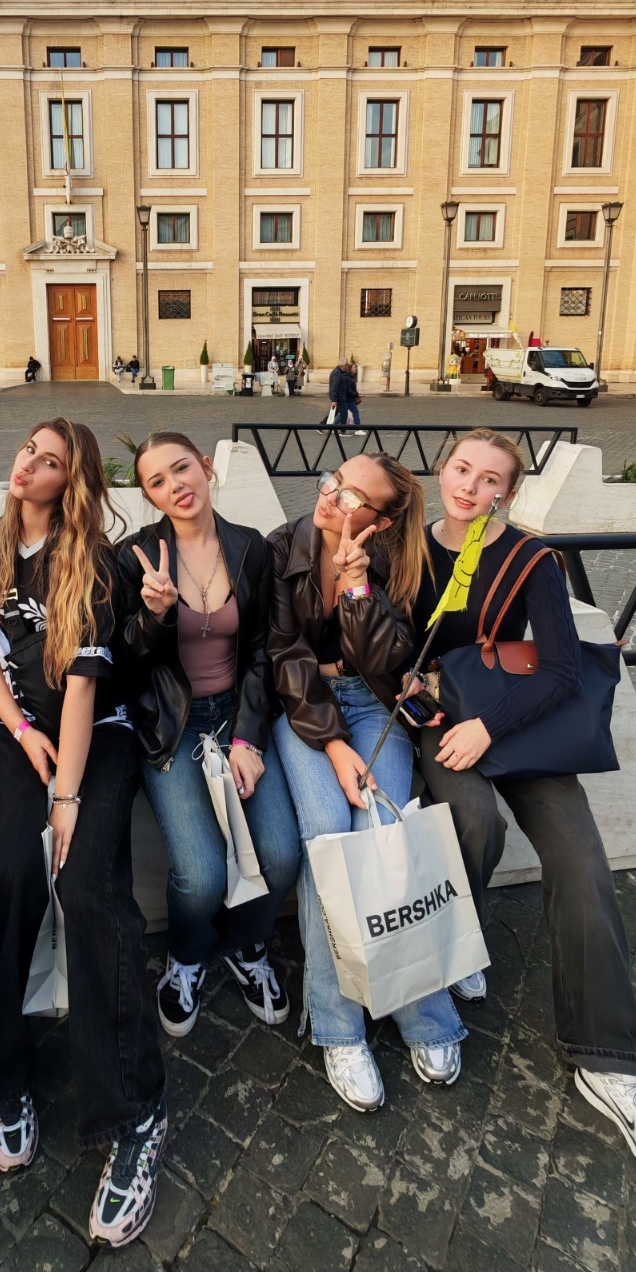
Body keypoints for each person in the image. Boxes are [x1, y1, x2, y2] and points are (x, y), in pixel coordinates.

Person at [411, 427, 636, 1199]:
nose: (471, 486)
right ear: (442, 469)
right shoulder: (405, 546)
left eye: (490, 478)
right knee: (476, 822)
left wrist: (489, 725)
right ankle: (456, 951)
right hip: (437, 724)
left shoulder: (530, 558)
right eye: (462, 468)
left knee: (580, 858)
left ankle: (613, 1065)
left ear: (507, 492)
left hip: (513, 720)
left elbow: (561, 670)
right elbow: (383, 644)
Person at [0, 419, 167, 1248]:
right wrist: (21, 734)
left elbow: (83, 690)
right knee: (9, 873)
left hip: (97, 734)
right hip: (12, 728)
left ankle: (133, 1113)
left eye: (50, 462)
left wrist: (70, 797)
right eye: (28, 452)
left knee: (86, 885)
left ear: (71, 480)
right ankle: (5, 1078)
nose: (29, 467)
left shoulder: (95, 563)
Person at [267, 454, 467, 1110]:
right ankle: (338, 1027)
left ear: (379, 521)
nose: (331, 497)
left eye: (352, 496)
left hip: (373, 704)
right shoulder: (281, 547)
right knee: (328, 835)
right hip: (303, 710)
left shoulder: (396, 563)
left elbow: (384, 659)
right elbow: (283, 655)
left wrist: (356, 587)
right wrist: (332, 745)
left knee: (382, 828)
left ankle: (421, 1010)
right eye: (332, 481)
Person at [116, 431, 301, 1038]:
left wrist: (248, 738)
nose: (176, 486)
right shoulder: (135, 558)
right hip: (170, 725)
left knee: (280, 855)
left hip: (238, 716)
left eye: (181, 468)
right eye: (158, 481)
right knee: (200, 874)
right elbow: (123, 662)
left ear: (205, 468)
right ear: (149, 495)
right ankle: (187, 957)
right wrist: (154, 616)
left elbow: (263, 651)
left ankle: (247, 947)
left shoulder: (251, 548)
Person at [328, 359, 363, 432]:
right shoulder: (338, 373)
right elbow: (334, 387)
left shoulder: (341, 373)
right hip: (342, 398)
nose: (355, 369)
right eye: (354, 367)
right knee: (345, 414)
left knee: (342, 414)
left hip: (342, 397)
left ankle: (336, 428)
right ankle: (344, 430)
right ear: (345, 366)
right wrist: (334, 400)